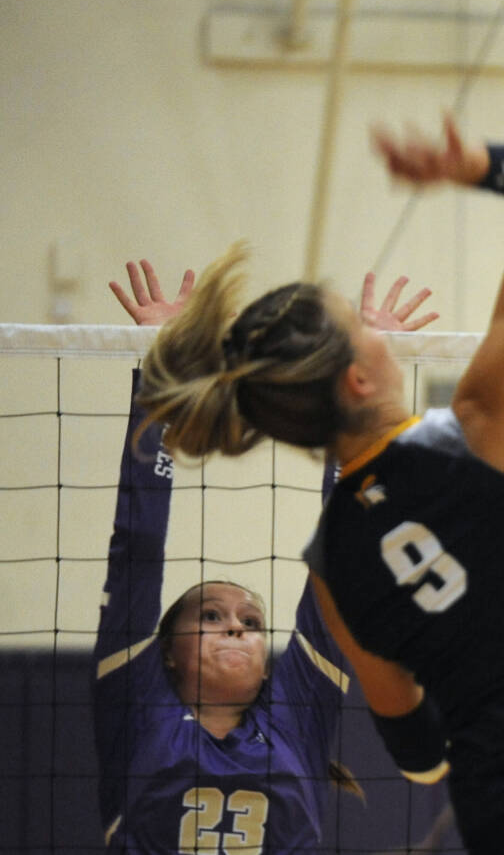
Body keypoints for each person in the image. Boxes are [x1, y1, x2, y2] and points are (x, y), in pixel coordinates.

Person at [131, 117, 504, 854]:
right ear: (359, 377)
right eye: (363, 325)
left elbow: (417, 750)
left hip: (503, 796)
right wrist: (477, 165)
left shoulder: (332, 565)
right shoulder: (487, 423)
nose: (380, 332)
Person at [94, 259, 436, 851]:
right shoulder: (135, 697)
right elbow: (138, 546)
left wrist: (367, 389)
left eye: (251, 623)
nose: (236, 629)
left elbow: (346, 547)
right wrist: (160, 373)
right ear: (166, 654)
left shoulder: (298, 709)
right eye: (211, 617)